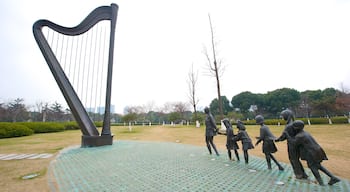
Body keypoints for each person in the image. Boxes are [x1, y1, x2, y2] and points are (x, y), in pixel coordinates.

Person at [285, 120, 341, 186]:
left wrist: (287, 135)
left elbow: (294, 143)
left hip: (311, 153)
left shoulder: (300, 136)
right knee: (318, 166)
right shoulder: (305, 133)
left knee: (313, 167)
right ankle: (333, 177)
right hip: (317, 150)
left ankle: (321, 183)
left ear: (296, 128)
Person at [275, 109, 308, 179]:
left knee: (293, 159)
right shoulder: (293, 123)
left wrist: (277, 140)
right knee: (296, 159)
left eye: (283, 116)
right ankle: (303, 173)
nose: (282, 118)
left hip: (292, 145)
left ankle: (298, 174)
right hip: (296, 144)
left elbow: (284, 136)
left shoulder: (289, 126)